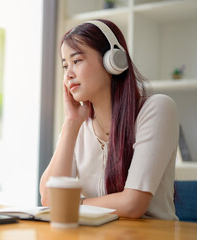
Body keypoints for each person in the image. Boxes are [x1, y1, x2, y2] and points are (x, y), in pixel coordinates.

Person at [39, 19, 179, 220]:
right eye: (65, 65)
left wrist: (71, 203)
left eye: (76, 61)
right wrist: (71, 123)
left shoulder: (156, 109)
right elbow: (48, 197)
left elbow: (133, 205)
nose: (68, 74)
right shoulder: (78, 126)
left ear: (112, 60)